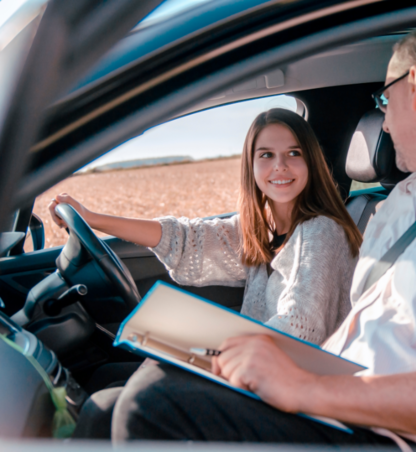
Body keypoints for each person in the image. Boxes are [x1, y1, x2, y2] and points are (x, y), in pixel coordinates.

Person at [110, 23, 416, 452]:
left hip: (391, 435)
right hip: (339, 410)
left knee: (152, 404)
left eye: (383, 101)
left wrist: (303, 388)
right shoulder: (403, 201)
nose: (382, 119)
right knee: (125, 394)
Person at [49, 108, 363, 437]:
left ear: (311, 161)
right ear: (251, 165)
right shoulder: (262, 228)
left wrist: (201, 350)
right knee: (105, 392)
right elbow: (187, 239)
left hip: (295, 393)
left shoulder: (322, 232)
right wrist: (93, 218)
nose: (280, 166)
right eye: (266, 154)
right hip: (259, 373)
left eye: (294, 153)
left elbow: (298, 329)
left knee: (110, 408)